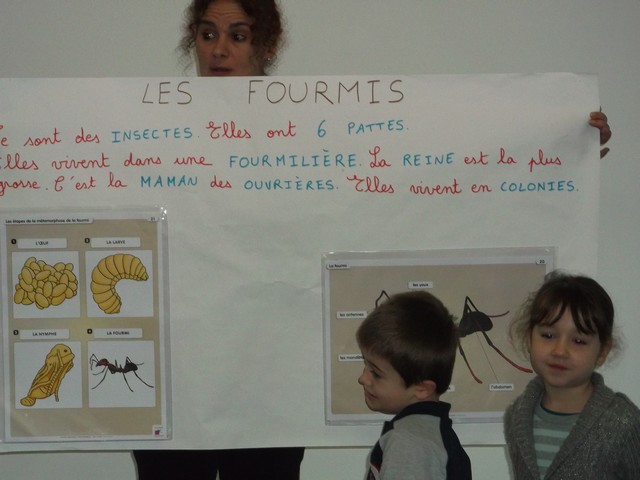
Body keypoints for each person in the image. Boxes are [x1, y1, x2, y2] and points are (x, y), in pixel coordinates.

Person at [133, 1, 304, 479]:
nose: (219, 50)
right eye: (208, 35)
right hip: (178, 373)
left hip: (269, 373)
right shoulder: (153, 131)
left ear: (266, 46)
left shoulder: (302, 136)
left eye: (238, 36)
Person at [504, 272, 640, 479]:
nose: (560, 351)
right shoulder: (516, 417)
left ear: (602, 351)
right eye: (548, 335)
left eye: (578, 341)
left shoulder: (623, 422)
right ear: (529, 339)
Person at [356, 291, 472, 480]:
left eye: (376, 373)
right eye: (366, 365)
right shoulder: (425, 432)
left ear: (422, 389)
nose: (363, 379)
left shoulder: (410, 443)